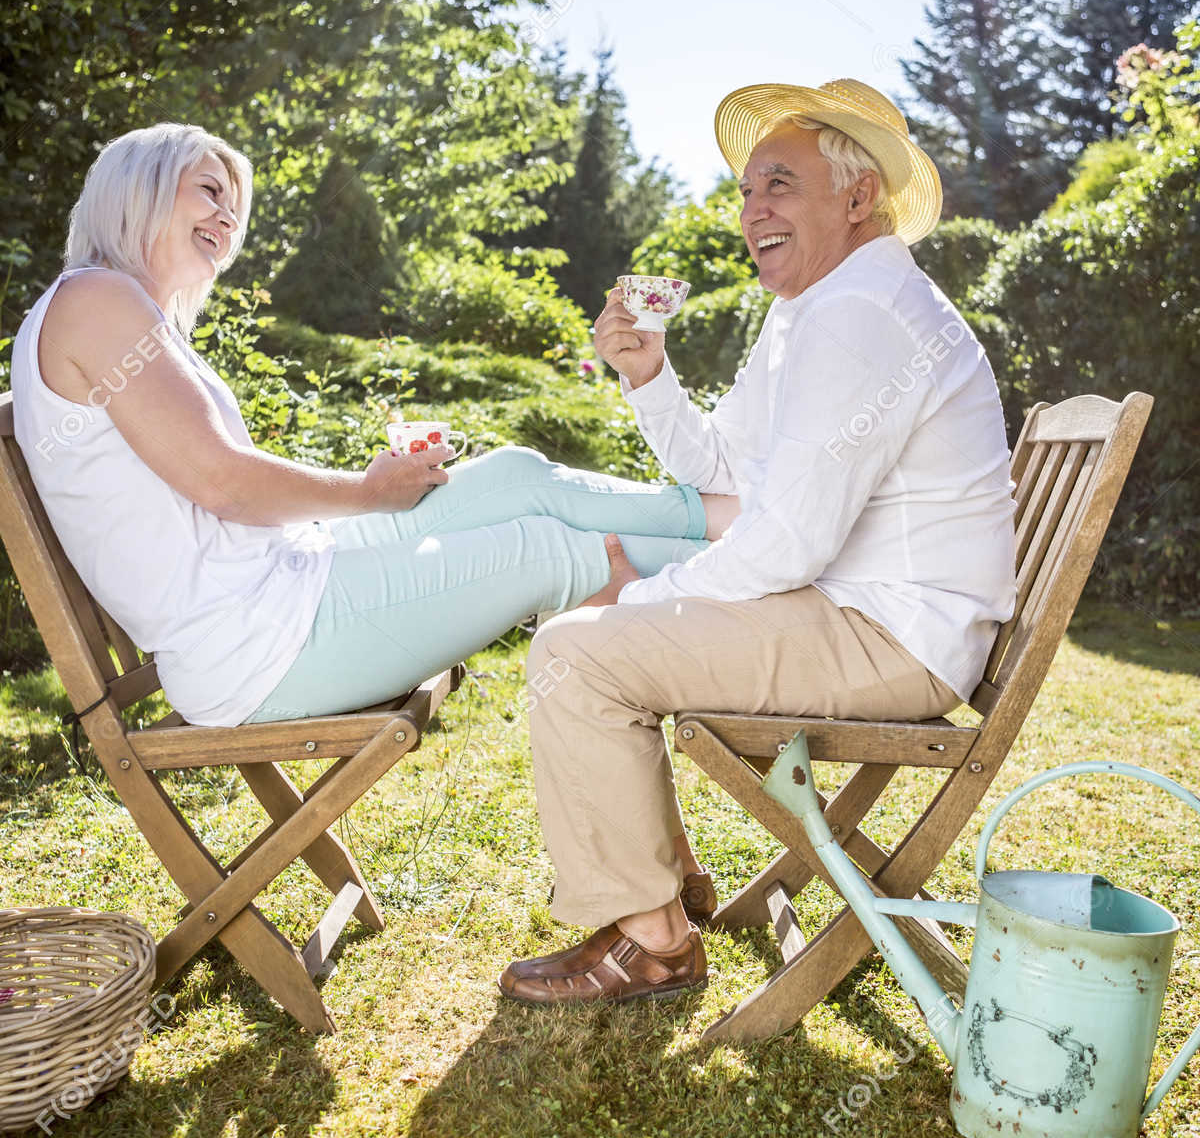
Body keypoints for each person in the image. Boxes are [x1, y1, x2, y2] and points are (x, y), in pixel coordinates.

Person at [499, 78, 1017, 1008]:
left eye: (778, 184)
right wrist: (646, 372)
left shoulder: (862, 315)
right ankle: (664, 888)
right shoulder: (816, 309)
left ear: (858, 199)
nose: (752, 210)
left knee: (577, 655)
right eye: (745, 190)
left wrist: (640, 602)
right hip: (867, 616)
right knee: (593, 634)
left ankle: (656, 944)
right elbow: (721, 468)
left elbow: (784, 543)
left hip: (890, 638)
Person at [11, 123, 729, 731]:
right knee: (553, 553)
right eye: (209, 191)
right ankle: (766, 570)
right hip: (255, 643)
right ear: (137, 188)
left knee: (516, 475)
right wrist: (370, 491)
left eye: (233, 205)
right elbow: (221, 483)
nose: (229, 217)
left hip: (288, 580)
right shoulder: (98, 301)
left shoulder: (124, 311)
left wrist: (373, 492)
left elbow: (219, 487)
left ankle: (732, 521)